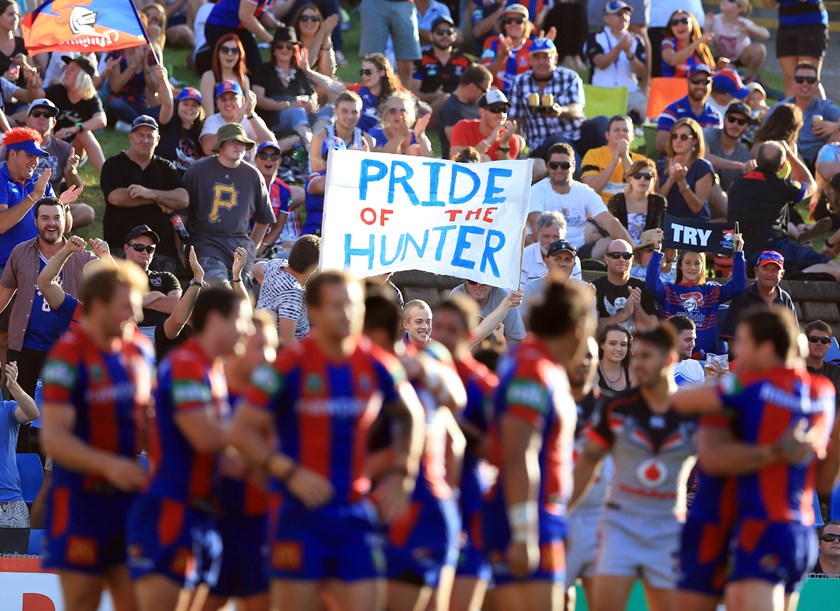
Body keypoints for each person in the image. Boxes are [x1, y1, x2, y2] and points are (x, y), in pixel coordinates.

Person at [229, 270, 426, 611]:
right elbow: (240, 431)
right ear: (315, 312)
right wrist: (290, 472)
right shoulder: (289, 364)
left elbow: (411, 414)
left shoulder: (378, 364)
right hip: (298, 516)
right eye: (337, 307)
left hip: (354, 514)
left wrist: (402, 471)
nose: (347, 314)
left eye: (352, 305)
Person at [671, 306, 838, 611]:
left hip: (750, 526)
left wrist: (716, 387)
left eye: (743, 342)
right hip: (794, 530)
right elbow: (825, 480)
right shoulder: (823, 393)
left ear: (766, 347)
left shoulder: (745, 386)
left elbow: (680, 402)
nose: (736, 349)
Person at [40, 261, 155, 611]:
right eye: (127, 304)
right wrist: (108, 465)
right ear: (99, 305)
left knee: (135, 602)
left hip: (128, 500)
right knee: (82, 603)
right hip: (80, 502)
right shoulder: (67, 356)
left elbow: (148, 421)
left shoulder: (140, 350)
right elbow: (54, 439)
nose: (136, 313)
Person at [128, 287, 249, 611]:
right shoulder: (186, 365)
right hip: (173, 511)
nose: (247, 330)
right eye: (242, 320)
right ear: (215, 321)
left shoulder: (214, 370)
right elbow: (206, 437)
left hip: (201, 514)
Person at [482, 279, 594, 611]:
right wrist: (523, 533)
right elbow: (518, 456)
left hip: (541, 516)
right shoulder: (532, 369)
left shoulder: (544, 367)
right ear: (577, 328)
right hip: (525, 520)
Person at [571, 324, 698, 611]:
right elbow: (587, 463)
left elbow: (717, 469)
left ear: (668, 360)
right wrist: (560, 512)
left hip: (668, 530)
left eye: (646, 356)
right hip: (620, 528)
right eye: (636, 356)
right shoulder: (616, 409)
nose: (637, 363)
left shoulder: (692, 411)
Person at [430, 296, 495, 611]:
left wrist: (454, 421)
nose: (440, 335)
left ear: (469, 335)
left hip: (468, 506)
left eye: (451, 329)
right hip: (421, 505)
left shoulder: (481, 384)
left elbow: (498, 452)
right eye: (436, 327)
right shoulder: (411, 373)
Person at [0, 197, 94, 396]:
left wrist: (106, 256)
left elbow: (114, 286)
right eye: (45, 218)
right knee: (20, 416)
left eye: (56, 218)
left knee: (62, 417)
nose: (51, 223)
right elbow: (3, 294)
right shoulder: (20, 252)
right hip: (24, 348)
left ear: (64, 221)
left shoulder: (82, 257)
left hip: (66, 350)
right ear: (35, 222)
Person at [729, 141, 840, 279]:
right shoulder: (781, 186)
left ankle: (783, 276)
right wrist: (790, 154)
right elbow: (810, 185)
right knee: (836, 269)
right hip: (776, 250)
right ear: (782, 166)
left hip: (743, 255)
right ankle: (788, 279)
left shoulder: (736, 184)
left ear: (756, 161)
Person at [184, 122, 274, 282]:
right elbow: (181, 212)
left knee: (242, 296)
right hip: (206, 243)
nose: (238, 145)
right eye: (232, 141)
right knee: (219, 284)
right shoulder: (198, 170)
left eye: (241, 142)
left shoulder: (253, 175)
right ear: (220, 145)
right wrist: (183, 246)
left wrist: (252, 248)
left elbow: (264, 218)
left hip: (239, 247)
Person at [100, 115, 189, 272]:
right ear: (130, 137)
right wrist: (158, 199)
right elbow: (116, 197)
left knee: (164, 292)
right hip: (121, 248)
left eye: (150, 136)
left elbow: (183, 199)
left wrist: (150, 193)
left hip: (161, 251)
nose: (145, 140)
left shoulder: (166, 167)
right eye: (140, 135)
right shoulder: (114, 164)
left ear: (158, 139)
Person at [646, 228, 746, 358]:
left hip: (706, 361)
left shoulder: (711, 291)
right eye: (688, 263)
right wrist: (657, 251)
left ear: (702, 267)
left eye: (697, 263)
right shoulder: (669, 291)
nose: (692, 268)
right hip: (674, 359)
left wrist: (738, 253)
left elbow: (738, 286)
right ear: (680, 266)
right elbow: (651, 284)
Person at [509, 38, 606, 168]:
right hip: (543, 142)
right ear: (530, 60)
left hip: (576, 134)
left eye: (546, 57)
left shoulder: (570, 76)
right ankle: (582, 180)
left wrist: (560, 111)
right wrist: (515, 145)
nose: (541, 62)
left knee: (602, 122)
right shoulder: (519, 82)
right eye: (537, 58)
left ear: (555, 58)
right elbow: (515, 120)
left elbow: (577, 109)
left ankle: (616, 170)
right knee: (559, 141)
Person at [528, 143, 633, 260]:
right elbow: (537, 226)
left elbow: (611, 222)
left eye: (564, 165)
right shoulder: (537, 191)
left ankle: (636, 263)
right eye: (554, 165)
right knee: (527, 237)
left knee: (615, 242)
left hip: (577, 250)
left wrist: (633, 250)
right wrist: (554, 257)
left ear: (573, 166)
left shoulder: (584, 191)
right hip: (546, 249)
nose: (559, 170)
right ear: (548, 167)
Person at [564, 336, 606, 610]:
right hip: (560, 518)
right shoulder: (548, 403)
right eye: (580, 355)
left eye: (591, 356)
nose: (585, 362)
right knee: (558, 600)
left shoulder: (608, 409)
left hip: (599, 520)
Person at [22, 98, 93, 229]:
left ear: (54, 122)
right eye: (37, 114)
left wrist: (71, 171)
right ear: (27, 120)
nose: (42, 117)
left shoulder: (63, 148)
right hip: (21, 202)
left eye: (47, 115)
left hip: (51, 205)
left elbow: (76, 190)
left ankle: (42, 227)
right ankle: (48, 228)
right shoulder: (15, 148)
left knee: (86, 212)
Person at [253, 26, 326, 148]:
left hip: (304, 116)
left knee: (328, 110)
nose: (284, 50)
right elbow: (259, 99)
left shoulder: (300, 72)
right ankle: (311, 147)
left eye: (289, 47)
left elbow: (312, 95)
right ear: (274, 49)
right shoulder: (264, 69)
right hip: (275, 119)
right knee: (296, 112)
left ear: (294, 50)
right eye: (280, 46)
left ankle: (327, 145)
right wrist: (287, 105)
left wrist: (311, 104)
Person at [40, 55, 108, 172]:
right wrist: (32, 83)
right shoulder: (57, 90)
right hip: (52, 145)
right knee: (44, 120)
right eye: (67, 68)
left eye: (72, 70)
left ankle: (108, 176)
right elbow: (36, 96)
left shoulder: (90, 98)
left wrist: (74, 128)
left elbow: (101, 120)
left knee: (84, 134)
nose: (66, 71)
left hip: (74, 151)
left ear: (83, 77)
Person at [767, 62, 840, 168]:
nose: (805, 83)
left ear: (817, 84)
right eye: (800, 80)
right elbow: (763, 135)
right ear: (793, 83)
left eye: (810, 80)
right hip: (786, 160)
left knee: (837, 134)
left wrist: (835, 126)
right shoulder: (781, 108)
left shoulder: (824, 107)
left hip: (818, 162)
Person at [0, 361, 39, 554]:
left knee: (10, 578)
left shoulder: (6, 409)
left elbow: (33, 412)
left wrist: (14, 386)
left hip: (9, 507)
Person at [584, 2, 647, 119]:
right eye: (618, 14)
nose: (623, 17)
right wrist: (618, 48)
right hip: (601, 92)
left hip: (629, 92)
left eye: (626, 14)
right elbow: (600, 63)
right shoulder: (594, 37)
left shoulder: (637, 40)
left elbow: (643, 73)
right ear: (606, 18)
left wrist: (629, 54)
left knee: (647, 110)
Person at [120, 225, 181, 346]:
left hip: (162, 334)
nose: (144, 252)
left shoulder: (166, 277)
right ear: (126, 248)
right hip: (126, 332)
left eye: (150, 249)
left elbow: (176, 306)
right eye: (139, 247)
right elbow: (117, 304)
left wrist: (135, 301)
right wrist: (156, 294)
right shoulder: (117, 275)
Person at [720, 250, 797, 345]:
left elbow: (793, 337)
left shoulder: (785, 299)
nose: (770, 274)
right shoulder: (742, 297)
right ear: (756, 271)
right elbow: (732, 340)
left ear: (782, 274)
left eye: (775, 270)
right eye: (765, 269)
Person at [255, 234, 320, 345]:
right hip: (293, 352)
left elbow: (255, 269)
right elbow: (286, 341)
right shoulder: (292, 294)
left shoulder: (277, 265)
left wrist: (273, 291)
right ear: (314, 268)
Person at [411, 16, 471, 123]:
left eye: (449, 32)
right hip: (430, 108)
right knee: (444, 100)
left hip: (459, 106)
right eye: (440, 32)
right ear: (431, 35)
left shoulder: (465, 61)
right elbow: (414, 94)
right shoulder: (421, 60)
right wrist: (435, 97)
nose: (444, 35)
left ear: (454, 36)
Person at [581, 115, 649, 206]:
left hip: (628, 213)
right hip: (597, 212)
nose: (621, 133)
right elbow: (591, 190)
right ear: (607, 135)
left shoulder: (642, 160)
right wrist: (614, 162)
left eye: (625, 130)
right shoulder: (593, 154)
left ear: (632, 136)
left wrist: (625, 157)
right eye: (616, 130)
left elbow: (642, 193)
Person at [765, 0, 829, 97]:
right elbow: (769, 5)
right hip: (786, 25)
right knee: (791, 80)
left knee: (809, 79)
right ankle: (792, 112)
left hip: (812, 24)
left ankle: (823, 111)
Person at [595, 238, 658, 334]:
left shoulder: (641, 287)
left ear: (632, 259)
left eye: (626, 255)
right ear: (606, 258)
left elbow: (654, 328)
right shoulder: (595, 288)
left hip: (636, 346)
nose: (621, 259)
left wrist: (637, 307)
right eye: (615, 255)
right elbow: (592, 327)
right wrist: (625, 313)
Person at [656, 64, 722, 156]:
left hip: (703, 166)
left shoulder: (716, 116)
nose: (700, 86)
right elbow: (661, 144)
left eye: (705, 82)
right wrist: (690, 153)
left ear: (711, 84)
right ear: (687, 82)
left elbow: (717, 148)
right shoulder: (672, 110)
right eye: (695, 81)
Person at [657, 118, 716, 221]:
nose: (678, 140)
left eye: (684, 137)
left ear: (694, 141)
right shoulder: (660, 166)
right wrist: (671, 179)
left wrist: (681, 181)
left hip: (694, 227)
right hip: (667, 224)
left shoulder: (703, 168)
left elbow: (696, 208)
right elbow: (657, 204)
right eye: (674, 136)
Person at [203, 0, 284, 73]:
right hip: (219, 26)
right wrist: (270, 40)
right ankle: (203, 59)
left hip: (239, 27)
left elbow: (260, 10)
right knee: (233, 68)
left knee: (255, 68)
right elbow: (245, 16)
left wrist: (278, 26)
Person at [199, 79, 274, 159]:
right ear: (217, 102)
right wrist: (236, 121)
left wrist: (250, 114)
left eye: (233, 98)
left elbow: (271, 146)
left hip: (249, 168)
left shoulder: (251, 118)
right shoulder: (212, 121)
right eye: (223, 99)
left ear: (242, 100)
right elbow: (207, 149)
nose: (228, 103)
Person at [254, 140, 304, 256]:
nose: (268, 160)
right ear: (256, 159)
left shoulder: (284, 190)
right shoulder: (245, 184)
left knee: (290, 252)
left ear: (279, 161)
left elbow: (278, 228)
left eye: (274, 156)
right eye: (263, 155)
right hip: (244, 239)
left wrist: (260, 249)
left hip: (269, 241)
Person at [359, 0, 421, 86]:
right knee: (371, 62)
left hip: (404, 3)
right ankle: (369, 98)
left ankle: (403, 98)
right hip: (374, 3)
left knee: (406, 63)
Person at [437, 65, 493, 160]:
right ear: (472, 87)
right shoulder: (452, 109)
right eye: (483, 91)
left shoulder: (478, 105)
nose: (483, 96)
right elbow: (457, 146)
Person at [705, 0, 769, 82]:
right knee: (727, 75)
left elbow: (766, 34)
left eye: (731, 1)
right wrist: (707, 26)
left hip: (741, 57)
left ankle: (749, 78)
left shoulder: (742, 22)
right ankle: (730, 71)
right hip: (722, 59)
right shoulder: (714, 20)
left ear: (739, 9)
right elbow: (708, 44)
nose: (725, 1)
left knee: (760, 49)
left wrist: (749, 29)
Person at [309, 91, 373, 173]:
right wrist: (350, 160)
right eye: (344, 111)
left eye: (354, 112)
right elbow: (318, 173)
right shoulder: (320, 138)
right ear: (335, 111)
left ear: (360, 114)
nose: (349, 117)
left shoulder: (368, 141)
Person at [450, 279, 526, 345]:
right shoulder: (457, 295)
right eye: (472, 281)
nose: (478, 285)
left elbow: (517, 339)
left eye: (484, 281)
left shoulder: (504, 297)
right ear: (466, 280)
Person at [607, 159, 667, 244]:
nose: (642, 179)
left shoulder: (659, 202)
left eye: (647, 176)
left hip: (650, 249)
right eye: (637, 176)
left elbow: (660, 232)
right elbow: (612, 232)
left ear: (654, 180)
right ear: (629, 179)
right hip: (623, 251)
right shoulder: (617, 201)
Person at [449, 89, 518, 162]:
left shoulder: (511, 139)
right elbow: (456, 159)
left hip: (492, 173)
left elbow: (508, 169)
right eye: (496, 109)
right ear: (482, 112)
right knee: (484, 158)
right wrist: (489, 141)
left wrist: (504, 144)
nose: (501, 115)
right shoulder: (464, 126)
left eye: (504, 110)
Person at [481, 4, 535, 94]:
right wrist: (503, 56)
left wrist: (545, 51)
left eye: (518, 21)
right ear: (504, 24)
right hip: (496, 95)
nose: (513, 24)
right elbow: (484, 76)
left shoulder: (532, 46)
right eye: (508, 20)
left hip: (523, 96)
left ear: (526, 25)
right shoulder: (492, 42)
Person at [703, 101, 755, 192]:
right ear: (724, 119)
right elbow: (703, 156)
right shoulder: (707, 135)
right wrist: (739, 165)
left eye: (741, 122)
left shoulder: (745, 154)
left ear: (747, 126)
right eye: (731, 119)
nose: (735, 125)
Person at [198, 33, 251, 118]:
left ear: (240, 54)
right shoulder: (209, 77)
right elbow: (209, 115)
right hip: (215, 127)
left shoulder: (244, 79)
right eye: (225, 50)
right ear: (218, 54)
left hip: (239, 126)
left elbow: (248, 111)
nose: (230, 54)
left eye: (234, 50)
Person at [155, 85, 205, 175]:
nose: (189, 108)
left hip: (186, 184)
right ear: (177, 105)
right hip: (162, 177)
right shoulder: (167, 123)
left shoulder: (201, 133)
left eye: (194, 105)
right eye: (185, 104)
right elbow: (167, 104)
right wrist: (164, 79)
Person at [369, 91, 434, 157]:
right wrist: (400, 137)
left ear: (410, 114)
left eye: (403, 111)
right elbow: (381, 158)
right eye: (393, 111)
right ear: (386, 114)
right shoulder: (376, 134)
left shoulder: (416, 135)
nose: (398, 115)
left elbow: (431, 161)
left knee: (414, 149)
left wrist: (421, 137)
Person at [660, 9, 715, 78]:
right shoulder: (668, 43)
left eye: (684, 21)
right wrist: (697, 42)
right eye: (675, 22)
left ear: (693, 24)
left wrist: (719, 67)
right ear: (671, 27)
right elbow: (672, 60)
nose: (680, 25)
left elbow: (710, 71)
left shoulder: (700, 46)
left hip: (697, 87)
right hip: (672, 87)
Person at [292, 3, 339, 78]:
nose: (309, 21)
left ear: (319, 22)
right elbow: (305, 68)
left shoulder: (323, 40)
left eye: (314, 18)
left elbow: (328, 73)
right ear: (298, 22)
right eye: (304, 18)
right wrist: (321, 32)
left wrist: (327, 36)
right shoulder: (291, 44)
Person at [665, 314, 706, 386]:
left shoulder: (696, 367)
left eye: (693, 340)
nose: (693, 345)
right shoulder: (654, 367)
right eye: (688, 340)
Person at [804, 320, 840, 398]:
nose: (819, 343)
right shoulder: (794, 372)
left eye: (824, 340)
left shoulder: (837, 373)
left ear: (829, 344)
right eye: (814, 339)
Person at [596, 323, 632, 395]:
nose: (619, 349)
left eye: (623, 344)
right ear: (602, 345)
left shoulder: (632, 369)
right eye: (612, 343)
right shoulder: (592, 370)